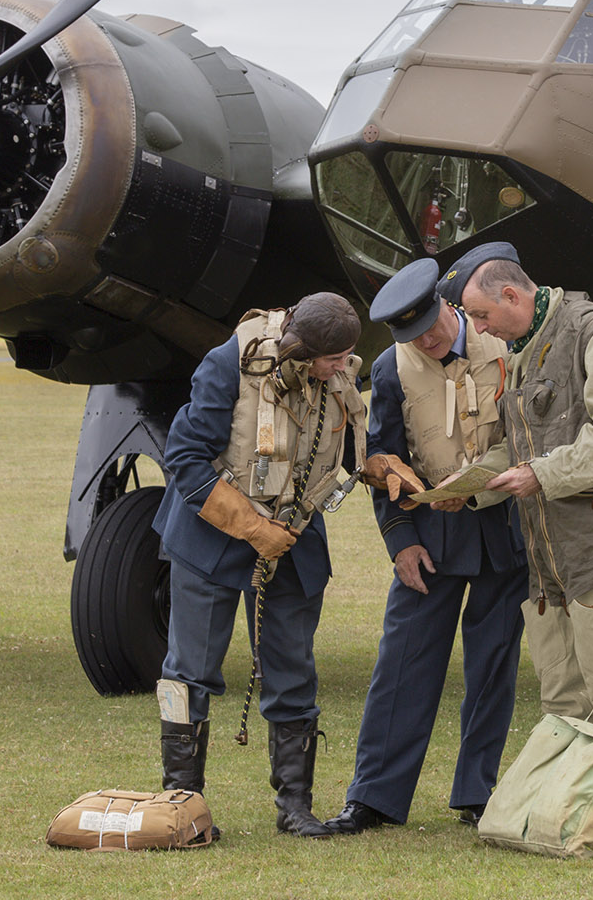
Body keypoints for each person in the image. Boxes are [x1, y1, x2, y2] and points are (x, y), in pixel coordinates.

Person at [455, 247, 593, 847]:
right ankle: (583, 803)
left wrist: (541, 476)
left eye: (479, 315)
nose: (478, 330)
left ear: (512, 298)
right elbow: (517, 447)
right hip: (550, 551)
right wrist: (468, 489)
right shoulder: (524, 353)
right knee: (564, 686)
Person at [320, 256, 528, 835]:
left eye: (433, 327)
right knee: (402, 666)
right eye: (413, 336)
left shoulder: (506, 348)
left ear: (448, 305)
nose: (429, 341)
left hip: (503, 534)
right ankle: (373, 799)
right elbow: (381, 462)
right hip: (428, 541)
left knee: (494, 668)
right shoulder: (389, 369)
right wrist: (400, 543)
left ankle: (477, 795)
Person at [152, 292, 366, 839]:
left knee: (293, 671)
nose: (343, 369)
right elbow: (185, 456)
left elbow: (345, 444)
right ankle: (183, 804)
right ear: (299, 350)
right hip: (211, 535)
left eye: (346, 359)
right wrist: (253, 528)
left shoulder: (333, 372)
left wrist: (380, 463)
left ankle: (295, 808)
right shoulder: (229, 362)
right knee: (190, 671)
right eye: (333, 360)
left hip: (294, 537)